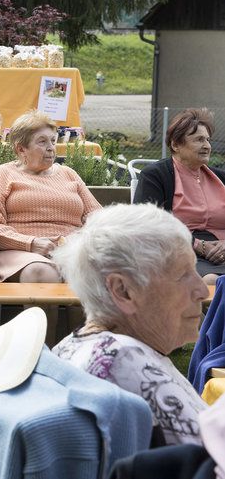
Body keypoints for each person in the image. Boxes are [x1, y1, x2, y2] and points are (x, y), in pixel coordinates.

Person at [53, 203, 209, 446]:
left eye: (195, 270)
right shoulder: (123, 363)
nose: (201, 290)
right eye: (183, 275)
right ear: (123, 291)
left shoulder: (78, 346)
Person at [0, 110, 101, 284]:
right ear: (21, 149)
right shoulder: (1, 175)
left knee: (93, 271)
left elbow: (98, 217)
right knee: (43, 271)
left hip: (69, 250)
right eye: (42, 142)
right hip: (15, 252)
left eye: (53, 141)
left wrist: (78, 240)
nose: (51, 147)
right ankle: (43, 313)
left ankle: (81, 313)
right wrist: (31, 243)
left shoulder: (68, 174)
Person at [134, 108, 225, 284]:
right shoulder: (155, 176)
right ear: (176, 144)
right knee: (215, 281)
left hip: (221, 251)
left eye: (207, 139)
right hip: (180, 251)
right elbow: (146, 223)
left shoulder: (221, 178)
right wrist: (199, 245)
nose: (207, 145)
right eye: (199, 140)